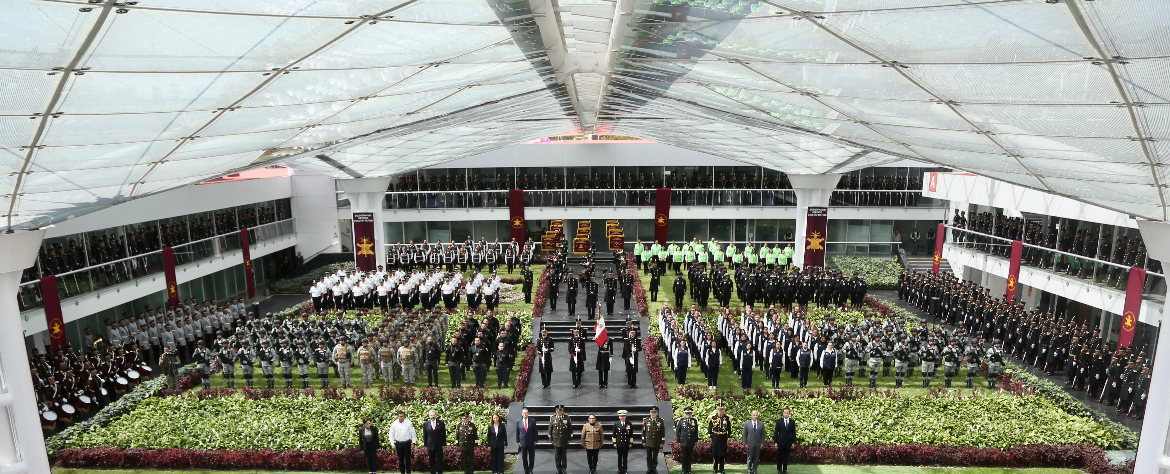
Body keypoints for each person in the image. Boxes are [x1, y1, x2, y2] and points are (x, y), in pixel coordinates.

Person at [708, 402, 731, 474]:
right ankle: (715, 468)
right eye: (719, 409)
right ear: (717, 410)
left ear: (724, 410)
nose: (720, 411)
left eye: (722, 409)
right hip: (715, 436)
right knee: (715, 453)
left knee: (722, 453)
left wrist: (729, 435)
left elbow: (729, 428)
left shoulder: (726, 418)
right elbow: (710, 427)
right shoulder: (713, 418)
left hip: (723, 437)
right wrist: (710, 436)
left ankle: (722, 469)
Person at [549, 404, 572, 474]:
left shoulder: (567, 418)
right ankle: (558, 468)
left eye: (561, 410)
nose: (559, 412)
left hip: (564, 439)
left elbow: (570, 429)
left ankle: (564, 468)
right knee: (557, 455)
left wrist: (569, 438)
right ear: (556, 411)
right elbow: (550, 429)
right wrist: (551, 439)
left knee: (564, 455)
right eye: (558, 411)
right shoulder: (553, 418)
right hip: (556, 439)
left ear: (563, 411)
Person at [642, 406, 666, 474]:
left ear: (657, 413)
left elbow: (663, 432)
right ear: (650, 413)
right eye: (652, 412)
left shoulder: (661, 421)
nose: (653, 414)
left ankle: (654, 467)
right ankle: (649, 468)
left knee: (655, 456)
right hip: (648, 441)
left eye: (655, 413)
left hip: (656, 441)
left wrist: (662, 442)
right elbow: (643, 432)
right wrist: (643, 441)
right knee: (648, 456)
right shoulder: (646, 420)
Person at [675, 407, 699, 474]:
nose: (688, 415)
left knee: (690, 456)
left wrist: (696, 440)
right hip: (684, 441)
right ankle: (684, 469)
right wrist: (678, 440)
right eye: (687, 413)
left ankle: (689, 469)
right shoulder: (681, 421)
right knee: (684, 456)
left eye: (689, 413)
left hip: (691, 441)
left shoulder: (694, 421)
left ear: (691, 414)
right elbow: (678, 432)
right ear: (684, 414)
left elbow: (696, 431)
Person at [773, 408, 796, 474]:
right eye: (785, 413)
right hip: (780, 442)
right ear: (783, 413)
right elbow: (776, 432)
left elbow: (794, 433)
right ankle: (779, 469)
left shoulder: (792, 422)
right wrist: (775, 442)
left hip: (788, 442)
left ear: (789, 414)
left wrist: (793, 442)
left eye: (787, 413)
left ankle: (785, 469)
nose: (786, 414)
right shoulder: (779, 421)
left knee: (786, 457)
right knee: (779, 456)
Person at [423, 410, 446, 474]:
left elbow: (444, 434)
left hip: (438, 444)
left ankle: (440, 471)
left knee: (439, 459)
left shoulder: (441, 423)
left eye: (433, 415)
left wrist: (444, 444)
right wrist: (425, 445)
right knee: (431, 460)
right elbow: (425, 435)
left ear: (436, 415)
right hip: (430, 445)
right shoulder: (426, 424)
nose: (432, 416)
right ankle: (432, 471)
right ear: (429, 416)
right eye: (431, 415)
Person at [516, 408, 536, 474]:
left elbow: (535, 432)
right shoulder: (519, 421)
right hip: (523, 442)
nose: (525, 414)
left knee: (531, 456)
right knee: (524, 456)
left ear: (528, 414)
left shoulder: (532, 421)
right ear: (522, 414)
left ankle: (530, 469)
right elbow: (517, 432)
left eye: (526, 413)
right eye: (524, 413)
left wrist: (535, 440)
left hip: (531, 441)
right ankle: (525, 469)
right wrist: (518, 441)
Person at [613, 410, 633, 474]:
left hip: (626, 443)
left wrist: (631, 442)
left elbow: (631, 434)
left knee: (625, 457)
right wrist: (614, 443)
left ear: (626, 417)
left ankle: (625, 469)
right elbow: (614, 434)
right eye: (621, 416)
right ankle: (619, 469)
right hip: (619, 443)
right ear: (619, 417)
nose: (622, 417)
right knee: (619, 457)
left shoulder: (629, 423)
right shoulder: (616, 424)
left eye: (624, 416)